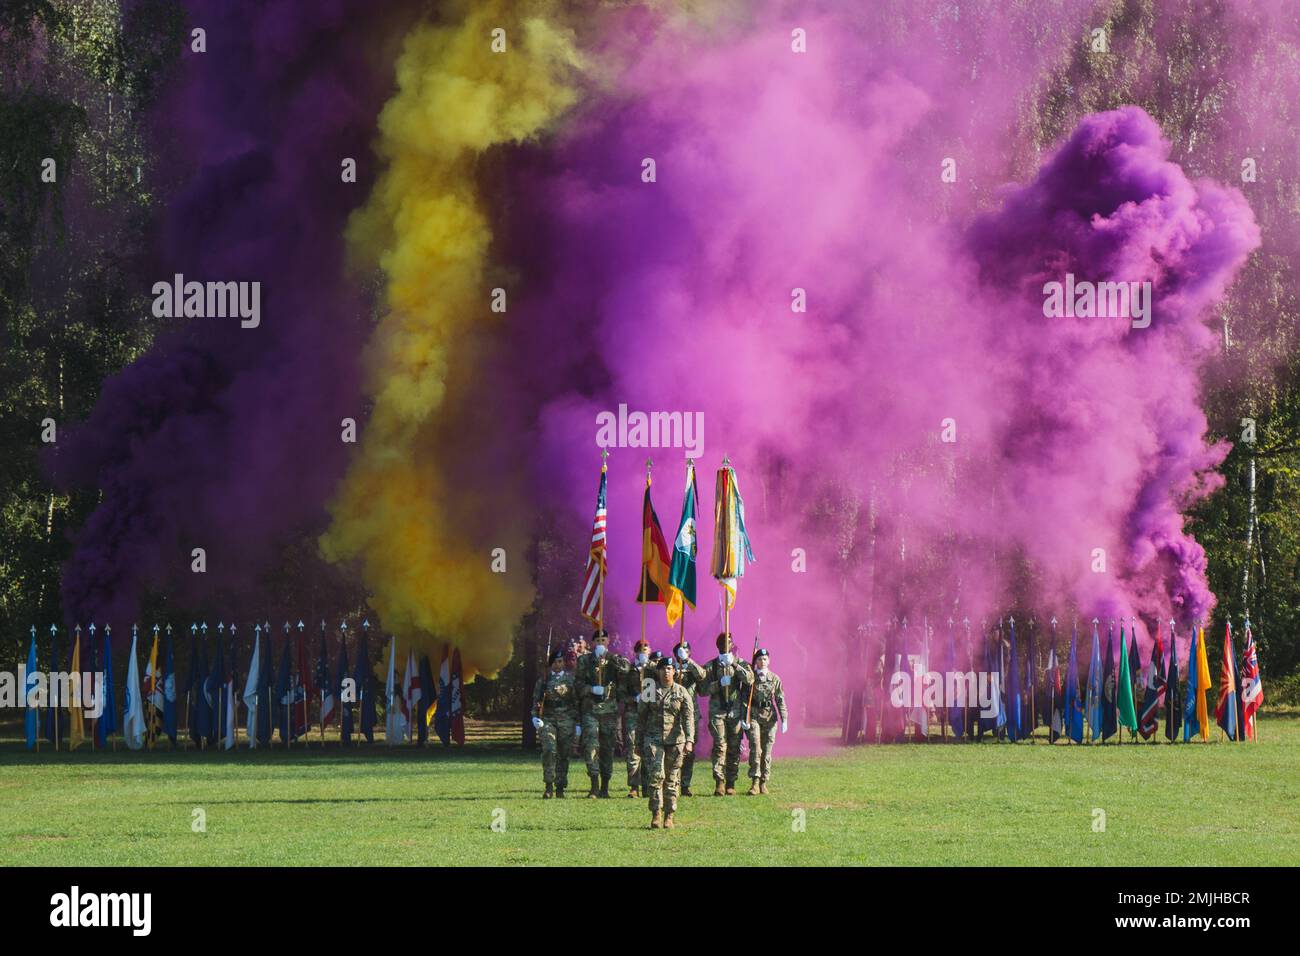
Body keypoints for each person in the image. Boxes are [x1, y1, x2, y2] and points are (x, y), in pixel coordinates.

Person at [637, 656, 694, 829]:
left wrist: (690, 740)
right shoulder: (650, 690)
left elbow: (688, 717)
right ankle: (656, 813)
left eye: (669, 669)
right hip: (654, 740)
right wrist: (638, 743)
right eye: (663, 669)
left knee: (672, 779)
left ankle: (669, 815)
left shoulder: (682, 692)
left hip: (676, 741)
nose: (666, 672)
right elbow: (641, 718)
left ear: (674, 672)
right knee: (656, 777)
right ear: (658, 671)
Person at [575, 629, 631, 798]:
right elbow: (577, 684)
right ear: (592, 643)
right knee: (591, 747)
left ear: (608, 642)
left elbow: (626, 668)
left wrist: (609, 657)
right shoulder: (584, 660)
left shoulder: (615, 659)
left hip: (609, 711)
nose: (600, 643)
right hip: (590, 710)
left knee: (607, 748)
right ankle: (594, 785)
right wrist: (590, 688)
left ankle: (605, 786)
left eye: (603, 640)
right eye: (597, 640)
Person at [703, 632, 753, 796]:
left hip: (735, 711)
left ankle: (731, 781)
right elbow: (702, 689)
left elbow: (750, 680)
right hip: (718, 711)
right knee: (720, 745)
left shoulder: (739, 663)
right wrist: (718, 684)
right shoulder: (711, 666)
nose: (727, 644)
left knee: (733, 747)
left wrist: (735, 666)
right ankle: (720, 782)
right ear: (718, 646)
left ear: (733, 645)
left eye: (730, 641)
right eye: (724, 642)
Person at [532, 647, 577, 798]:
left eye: (560, 661)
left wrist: (577, 723)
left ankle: (560, 787)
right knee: (549, 750)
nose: (558, 664)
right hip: (548, 719)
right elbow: (536, 701)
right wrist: (534, 717)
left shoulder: (570, 680)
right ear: (550, 664)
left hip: (566, 720)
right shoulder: (544, 679)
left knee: (564, 754)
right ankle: (549, 785)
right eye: (555, 662)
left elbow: (576, 702)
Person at [741, 647, 787, 794]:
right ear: (756, 662)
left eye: (765, 659)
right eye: (760, 659)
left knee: (767, 751)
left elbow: (780, 699)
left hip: (770, 718)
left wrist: (784, 719)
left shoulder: (774, 679)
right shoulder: (750, 678)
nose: (762, 661)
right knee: (756, 749)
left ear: (769, 661)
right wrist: (745, 717)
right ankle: (754, 781)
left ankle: (763, 782)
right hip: (754, 716)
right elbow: (744, 699)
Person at [619, 639, 655, 797]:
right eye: (640, 649)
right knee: (633, 748)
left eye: (646, 649)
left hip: (650, 714)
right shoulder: (629, 671)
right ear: (636, 652)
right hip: (633, 713)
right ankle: (634, 786)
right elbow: (620, 693)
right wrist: (634, 699)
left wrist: (650, 665)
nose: (643, 652)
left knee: (649, 749)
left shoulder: (654, 669)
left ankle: (647, 785)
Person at [672, 639, 708, 795]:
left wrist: (687, 661)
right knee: (674, 750)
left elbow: (702, 676)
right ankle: (673, 782)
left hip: (691, 715)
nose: (683, 653)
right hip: (673, 715)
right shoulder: (670, 668)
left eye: (687, 650)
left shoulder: (694, 669)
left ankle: (685, 785)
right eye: (681, 651)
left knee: (689, 751)